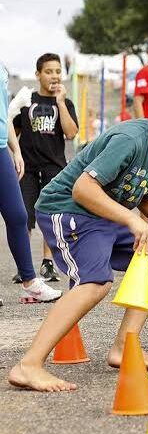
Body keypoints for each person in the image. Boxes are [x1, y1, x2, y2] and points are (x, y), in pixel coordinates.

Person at [7, 70, 148, 392]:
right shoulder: (130, 140)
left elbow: (143, 196)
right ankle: (28, 364)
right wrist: (131, 221)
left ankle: (124, 346)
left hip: (103, 215)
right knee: (96, 282)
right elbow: (83, 189)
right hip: (68, 209)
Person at [12, 53, 79, 284]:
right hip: (27, 168)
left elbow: (71, 133)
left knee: (49, 216)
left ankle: (48, 264)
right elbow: (14, 132)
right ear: (38, 74)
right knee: (23, 217)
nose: (54, 76)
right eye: (49, 71)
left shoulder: (65, 103)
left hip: (55, 167)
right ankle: (25, 267)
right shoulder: (27, 100)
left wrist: (60, 102)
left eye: (58, 71)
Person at [1, 64, 63, 304]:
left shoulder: (3, 69)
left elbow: (3, 113)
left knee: (17, 215)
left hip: (0, 149)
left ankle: (30, 282)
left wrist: (14, 150)